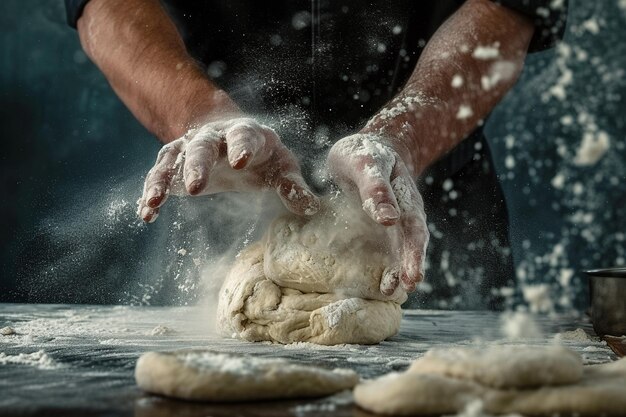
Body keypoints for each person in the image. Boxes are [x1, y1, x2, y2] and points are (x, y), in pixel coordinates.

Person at [65, 0, 567, 309]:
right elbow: (105, 6)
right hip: (225, 180)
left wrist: (402, 138)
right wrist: (201, 115)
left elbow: (507, 7)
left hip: (424, 198)